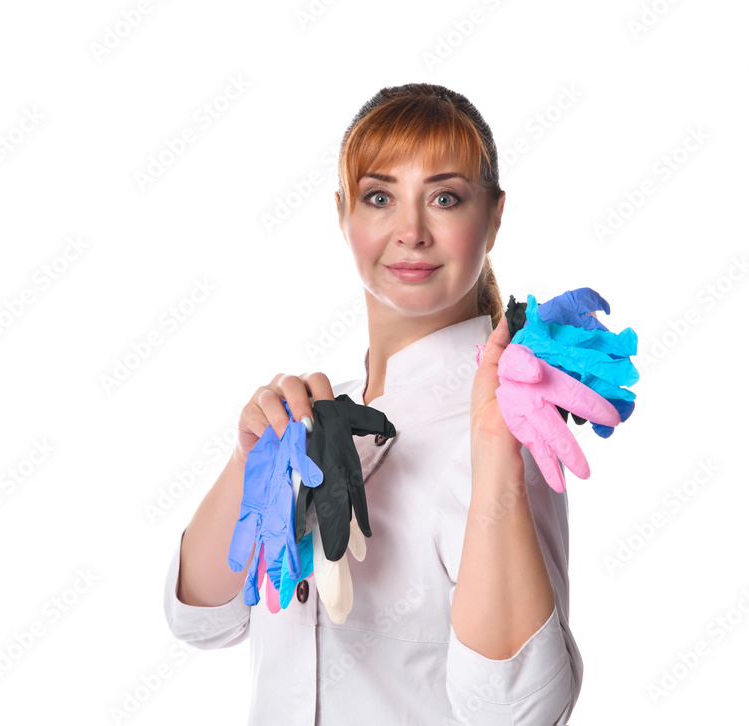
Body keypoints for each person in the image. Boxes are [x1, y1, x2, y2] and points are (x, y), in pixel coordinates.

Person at [162, 83, 583, 724]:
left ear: (494, 217)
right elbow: (200, 619)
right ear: (343, 214)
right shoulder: (323, 417)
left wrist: (496, 455)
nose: (411, 232)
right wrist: (249, 461)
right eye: (380, 197)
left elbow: (518, 711)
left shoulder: (502, 428)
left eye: (445, 198)